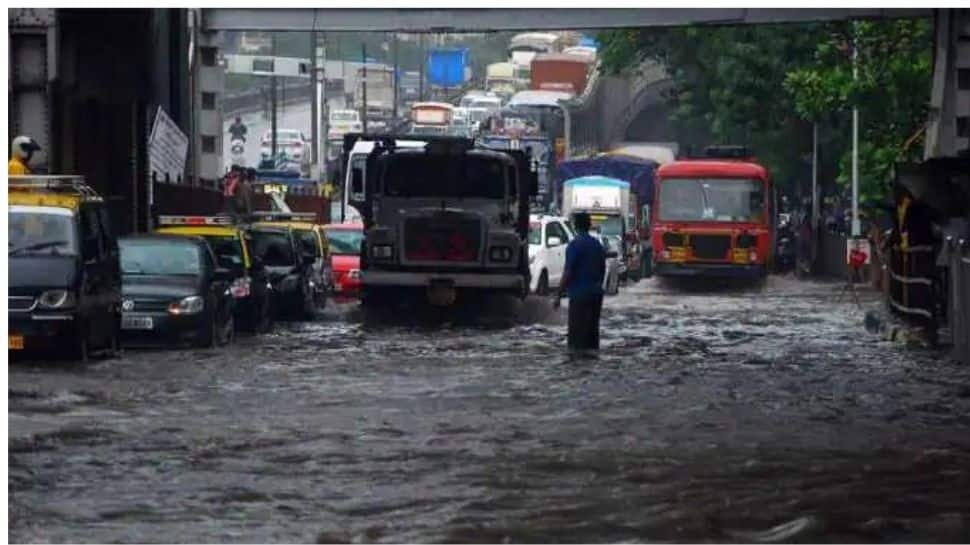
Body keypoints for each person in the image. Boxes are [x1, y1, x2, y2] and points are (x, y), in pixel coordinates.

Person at [554, 212, 607, 351]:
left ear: (575, 226)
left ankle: (576, 368)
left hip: (579, 296)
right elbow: (603, 269)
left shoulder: (574, 245)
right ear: (589, 226)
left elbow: (568, 272)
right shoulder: (597, 245)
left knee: (576, 338)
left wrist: (558, 295)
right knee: (592, 333)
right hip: (596, 295)